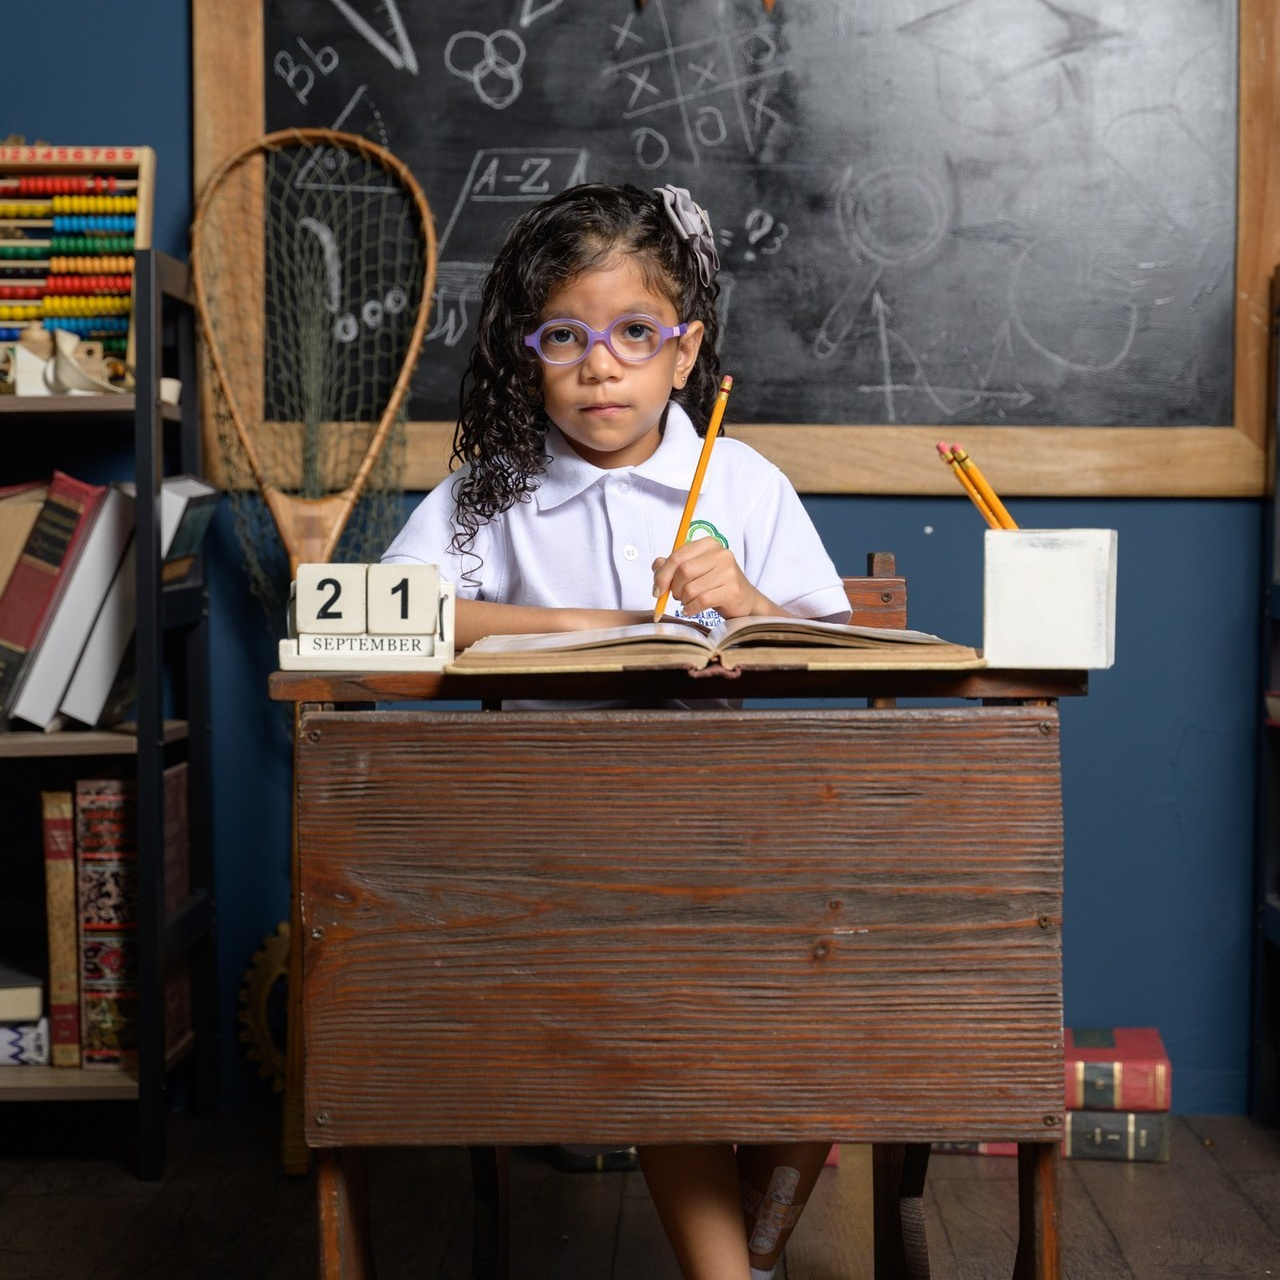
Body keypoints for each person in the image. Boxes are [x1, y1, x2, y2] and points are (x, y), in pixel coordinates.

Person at [383, 181, 848, 1280]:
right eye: (566, 336)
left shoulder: (734, 478)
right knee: (660, 1000)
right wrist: (598, 623)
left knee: (856, 968)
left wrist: (746, 600)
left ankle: (754, 1238)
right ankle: (728, 1268)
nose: (601, 364)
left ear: (684, 355)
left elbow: (830, 647)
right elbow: (389, 623)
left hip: (735, 836)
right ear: (527, 349)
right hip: (557, 850)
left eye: (635, 333)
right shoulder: (484, 491)